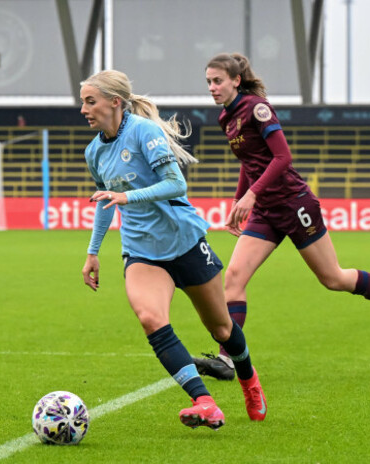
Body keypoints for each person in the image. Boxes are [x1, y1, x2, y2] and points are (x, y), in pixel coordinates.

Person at [193, 52, 370, 381]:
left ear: (235, 80)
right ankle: (227, 360)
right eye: (208, 82)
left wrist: (251, 194)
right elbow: (251, 162)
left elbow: (282, 156)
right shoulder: (225, 118)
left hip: (295, 204)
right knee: (233, 279)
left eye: (217, 81)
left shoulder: (256, 108)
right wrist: (238, 199)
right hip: (266, 211)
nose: (212, 87)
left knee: (333, 279)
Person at [79, 69, 268, 428]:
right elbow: (105, 202)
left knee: (222, 329)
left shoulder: (144, 132)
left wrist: (126, 195)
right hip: (141, 251)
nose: (84, 109)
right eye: (83, 102)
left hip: (184, 242)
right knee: (151, 318)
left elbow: (175, 183)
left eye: (91, 101)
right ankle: (204, 402)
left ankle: (249, 381)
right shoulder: (94, 152)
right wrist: (93, 252)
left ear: (114, 102)